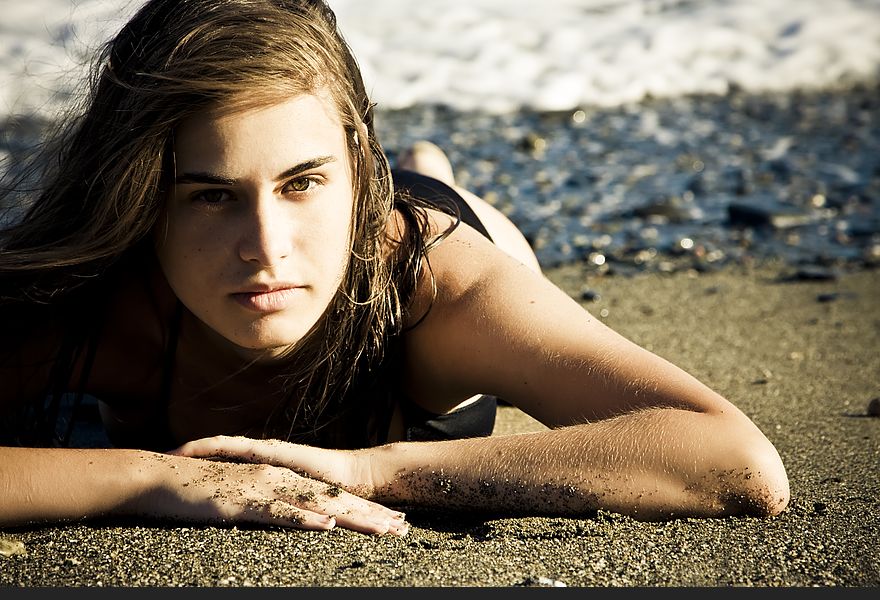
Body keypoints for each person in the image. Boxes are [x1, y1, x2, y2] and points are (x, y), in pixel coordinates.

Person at [0, 0, 789, 536]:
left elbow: (737, 462)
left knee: (487, 240)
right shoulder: (93, 297)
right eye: (210, 197)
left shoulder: (434, 283)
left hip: (411, 248)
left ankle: (423, 167)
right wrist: (144, 478)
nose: (266, 246)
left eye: (301, 182)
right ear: (142, 198)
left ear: (353, 167)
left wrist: (371, 471)